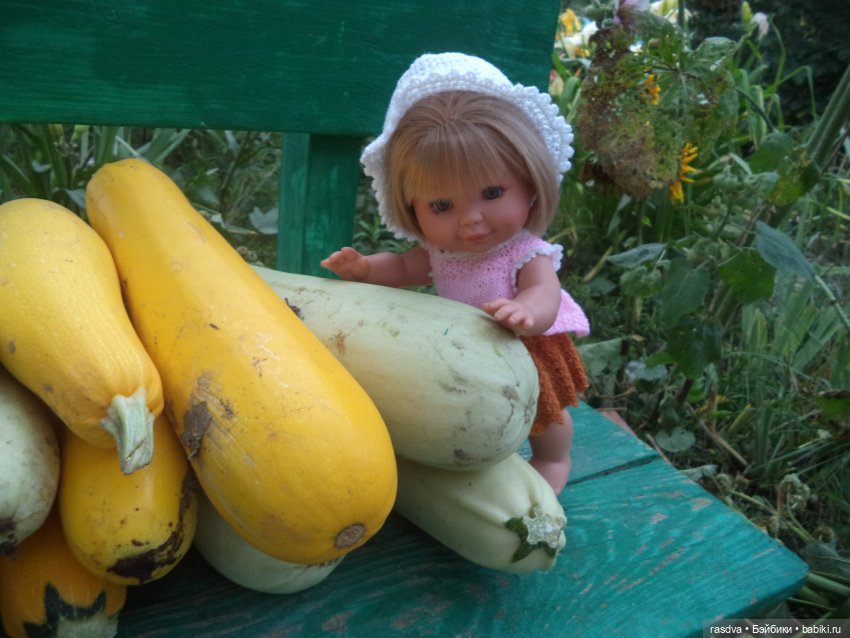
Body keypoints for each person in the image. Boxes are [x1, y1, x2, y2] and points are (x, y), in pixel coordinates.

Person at [321, 52, 589, 494]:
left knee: (548, 413)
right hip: (464, 357)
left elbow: (546, 291)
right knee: (468, 412)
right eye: (442, 206)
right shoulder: (442, 253)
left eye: (491, 192)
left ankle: (553, 460)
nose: (471, 220)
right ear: (412, 208)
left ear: (529, 180)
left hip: (527, 348)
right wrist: (366, 268)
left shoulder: (524, 252)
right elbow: (407, 266)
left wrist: (525, 311)